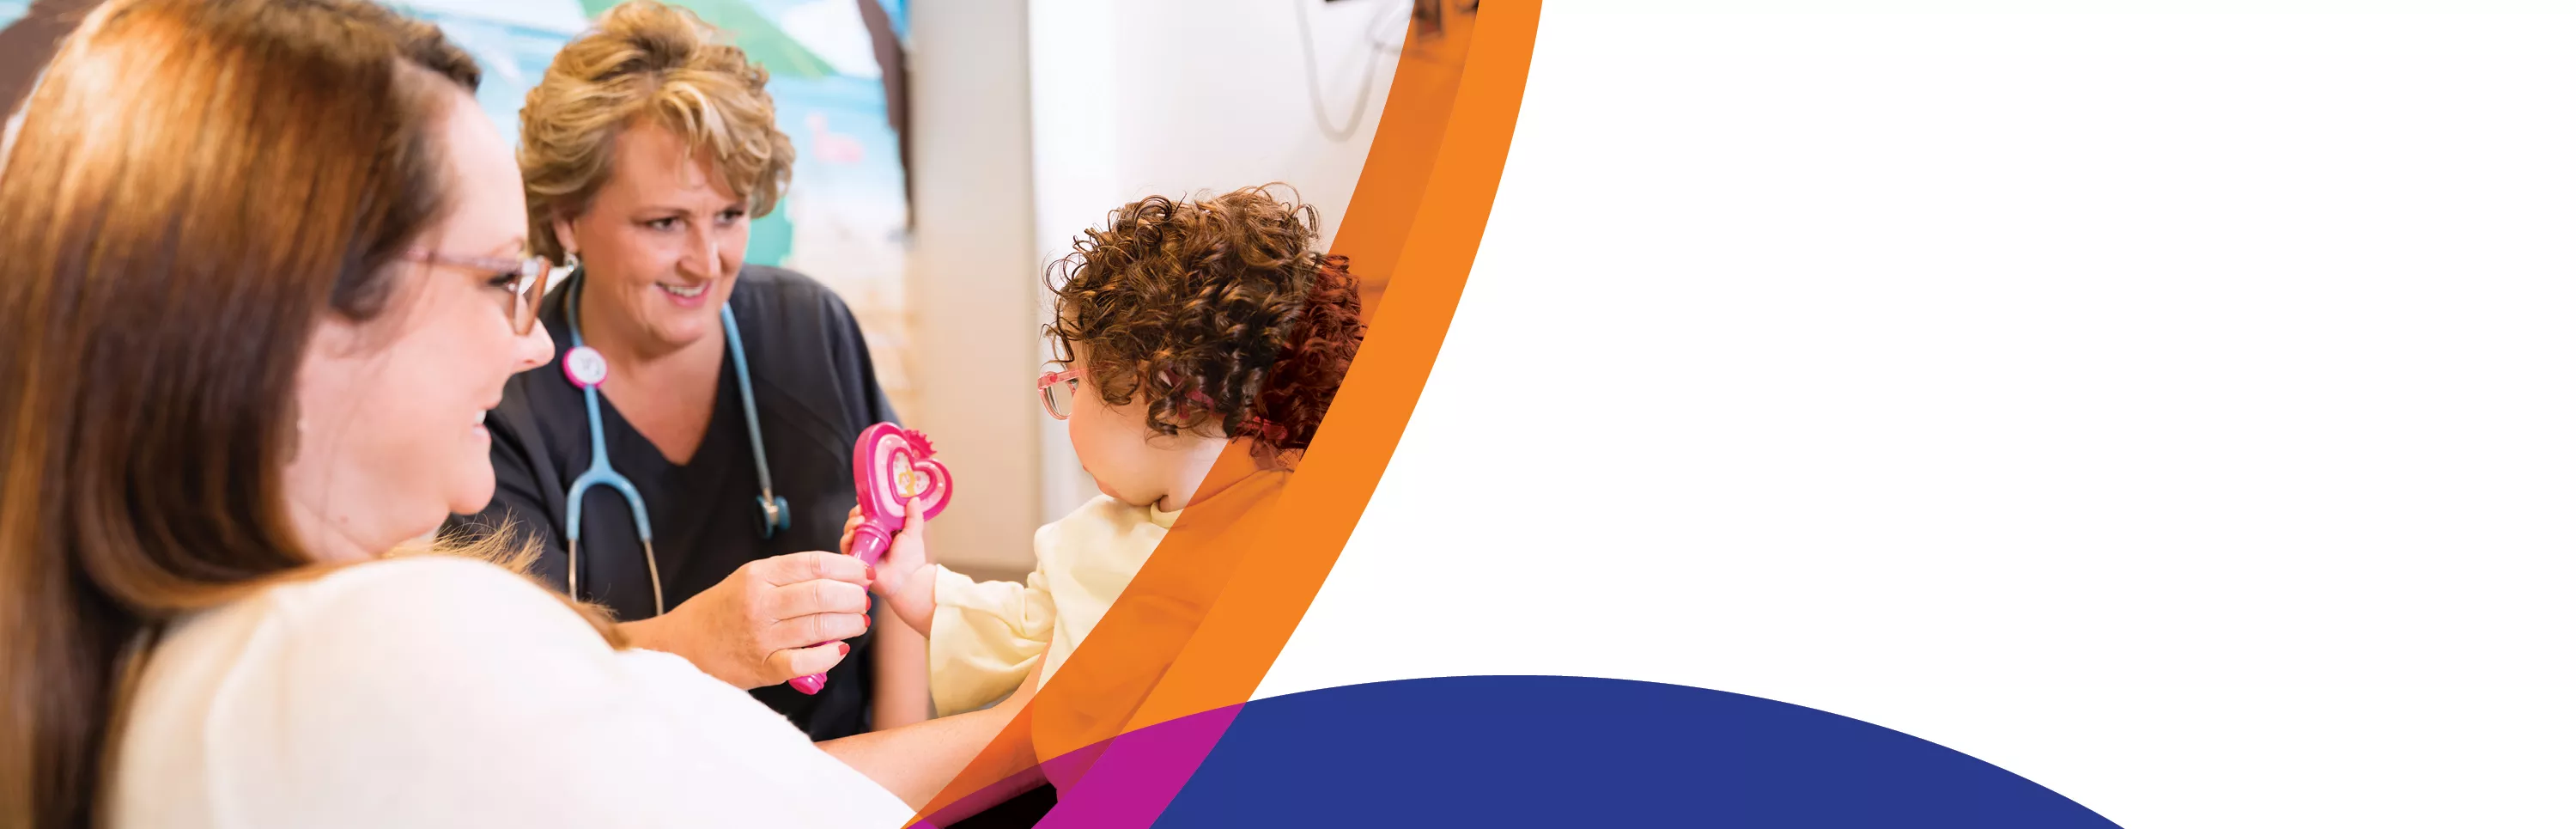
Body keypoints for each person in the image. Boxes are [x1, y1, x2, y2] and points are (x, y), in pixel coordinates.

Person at [0, 0, 1011, 825]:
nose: (532, 338)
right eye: (498, 277)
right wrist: (1070, 718)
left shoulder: (176, 661)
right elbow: (802, 803)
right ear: (296, 316)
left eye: (729, 217)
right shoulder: (387, 644)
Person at [440, 0, 927, 741]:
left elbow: (898, 567)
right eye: (664, 223)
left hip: (850, 769)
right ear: (568, 216)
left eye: (729, 215)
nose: (707, 262)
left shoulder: (808, 327)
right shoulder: (504, 399)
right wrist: (695, 643)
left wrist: (901, 776)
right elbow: (512, 680)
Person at [860, 186, 1368, 716]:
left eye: (1074, 381)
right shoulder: (1094, 539)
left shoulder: (1307, 539)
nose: (1067, 403)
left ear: (1168, 394)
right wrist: (915, 587)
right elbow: (1025, 630)